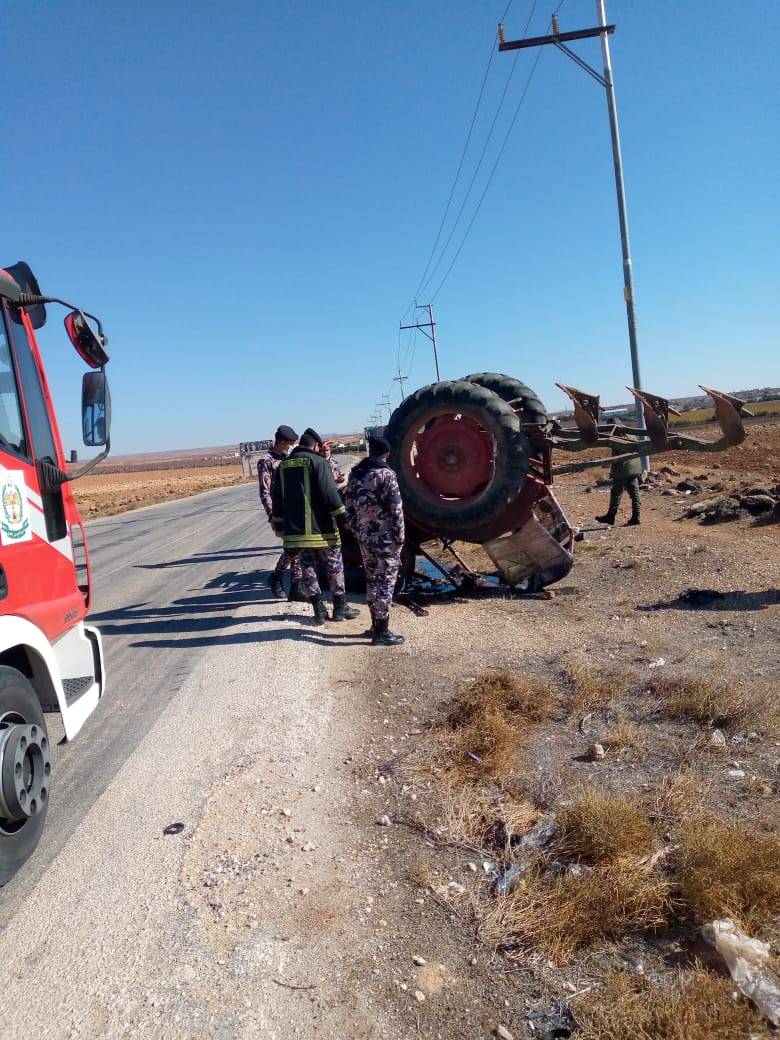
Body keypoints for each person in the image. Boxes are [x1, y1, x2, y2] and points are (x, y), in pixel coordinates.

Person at [271, 428, 360, 625]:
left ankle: (319, 610)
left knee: (308, 569)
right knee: (334, 566)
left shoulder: (283, 466)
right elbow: (330, 495)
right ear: (315, 445)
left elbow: (276, 498)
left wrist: (277, 523)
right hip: (322, 530)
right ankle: (339, 607)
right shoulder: (318, 462)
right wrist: (344, 518)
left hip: (297, 533)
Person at [345, 435, 405, 647]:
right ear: (386, 454)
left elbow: (349, 508)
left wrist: (358, 531)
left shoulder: (356, 474)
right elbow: (396, 510)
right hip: (386, 539)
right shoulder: (386, 474)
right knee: (386, 582)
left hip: (365, 538)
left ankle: (375, 625)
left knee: (372, 580)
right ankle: (381, 632)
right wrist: (400, 538)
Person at [257, 425, 305, 598]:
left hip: (294, 511)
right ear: (282, 442)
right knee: (293, 547)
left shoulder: (289, 458)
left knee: (297, 546)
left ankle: (295, 586)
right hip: (280, 513)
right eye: (290, 443)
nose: (291, 446)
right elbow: (265, 492)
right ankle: (278, 577)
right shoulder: (266, 461)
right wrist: (273, 517)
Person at [596, 432, 643, 527]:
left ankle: (610, 516)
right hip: (634, 468)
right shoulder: (632, 435)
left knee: (616, 494)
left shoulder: (616, 438)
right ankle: (636, 517)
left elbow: (616, 454)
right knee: (635, 494)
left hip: (622, 470)